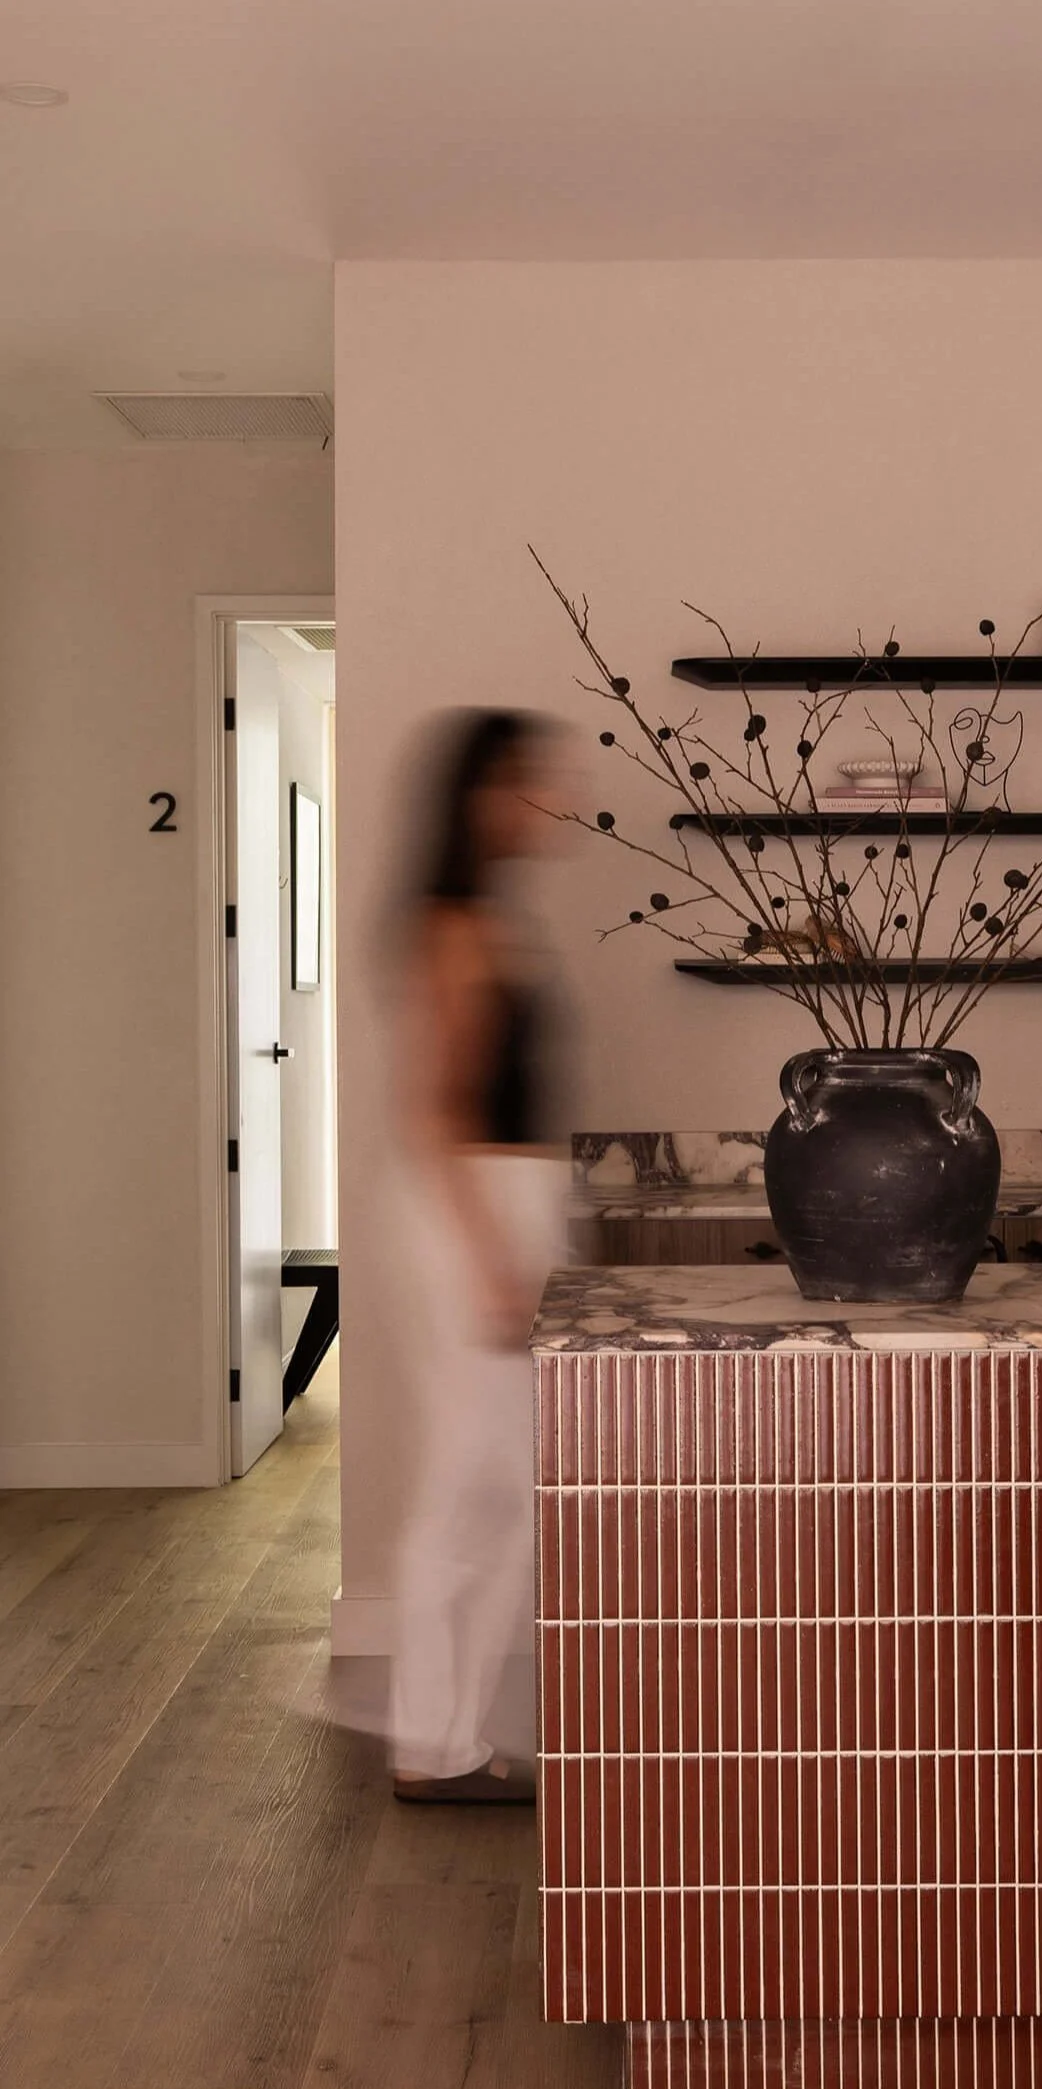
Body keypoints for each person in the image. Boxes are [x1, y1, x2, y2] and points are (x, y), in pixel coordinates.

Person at [389, 711, 571, 1802]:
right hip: (475, 1213)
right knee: (470, 1482)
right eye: (525, 783)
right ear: (475, 797)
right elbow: (434, 1113)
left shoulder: (489, 920)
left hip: (516, 1207)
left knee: (508, 1485)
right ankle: (430, 1745)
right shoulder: (451, 928)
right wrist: (489, 1262)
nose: (545, 801)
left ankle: (449, 1736)